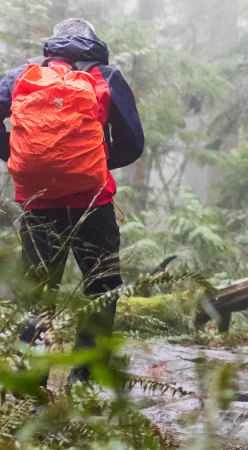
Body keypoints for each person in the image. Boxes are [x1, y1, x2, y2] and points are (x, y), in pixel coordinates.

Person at [0, 19, 145, 384]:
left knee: (38, 291)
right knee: (102, 286)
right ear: (94, 43)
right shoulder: (105, 77)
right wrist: (91, 161)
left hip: (38, 202)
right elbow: (133, 143)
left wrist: (15, 156)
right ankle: (86, 381)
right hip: (93, 202)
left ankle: (30, 389)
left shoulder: (22, 76)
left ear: (53, 46)